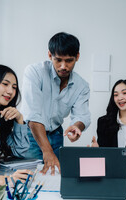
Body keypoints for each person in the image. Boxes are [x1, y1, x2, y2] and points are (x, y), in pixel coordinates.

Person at [21, 32, 90, 175]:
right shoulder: (34, 72)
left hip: (57, 134)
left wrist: (76, 127)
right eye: (58, 60)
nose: (63, 66)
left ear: (77, 57)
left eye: (69, 60)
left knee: (55, 178)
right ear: (49, 55)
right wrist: (47, 151)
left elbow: (82, 116)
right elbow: (33, 115)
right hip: (31, 133)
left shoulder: (81, 86)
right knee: (30, 178)